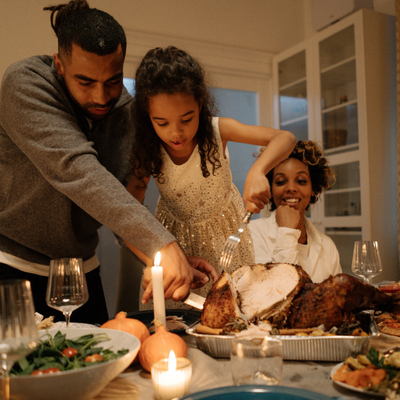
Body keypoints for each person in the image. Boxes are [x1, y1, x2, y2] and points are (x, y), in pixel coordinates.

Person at [0, 1, 217, 324]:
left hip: (83, 271)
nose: (101, 97)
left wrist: (168, 258)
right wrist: (163, 243)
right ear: (59, 66)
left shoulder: (127, 111)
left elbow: (117, 202)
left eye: (113, 81)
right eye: (85, 82)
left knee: (101, 370)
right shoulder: (24, 84)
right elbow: (77, 171)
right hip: (14, 266)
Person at [127, 46, 297, 308]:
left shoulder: (219, 130)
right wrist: (155, 259)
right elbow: (127, 215)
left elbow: (285, 138)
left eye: (187, 118)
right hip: (174, 243)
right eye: (162, 123)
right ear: (147, 116)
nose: (176, 132)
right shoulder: (147, 150)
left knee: (232, 317)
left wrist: (258, 170)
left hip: (228, 242)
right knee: (176, 323)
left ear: (200, 104)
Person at [248, 140, 342, 283]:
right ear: (270, 189)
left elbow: (337, 299)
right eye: (280, 182)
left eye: (301, 181)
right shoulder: (252, 235)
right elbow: (273, 295)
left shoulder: (327, 246)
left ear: (313, 190)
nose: (291, 188)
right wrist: (287, 231)